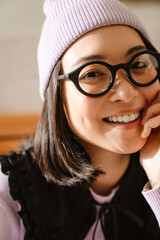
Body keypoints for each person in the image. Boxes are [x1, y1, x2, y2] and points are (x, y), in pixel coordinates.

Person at [0, 0, 160, 239]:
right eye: (93, 73)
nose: (127, 92)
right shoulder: (12, 196)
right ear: (57, 97)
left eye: (138, 64)